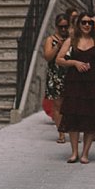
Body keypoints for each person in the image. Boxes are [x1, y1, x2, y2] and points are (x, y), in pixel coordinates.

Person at [56, 11, 95, 164]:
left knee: (90, 119)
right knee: (73, 117)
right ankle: (74, 152)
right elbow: (59, 60)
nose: (87, 25)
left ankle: (85, 153)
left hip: (92, 83)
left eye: (89, 23)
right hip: (75, 83)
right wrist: (74, 63)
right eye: (84, 22)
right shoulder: (72, 40)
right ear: (78, 24)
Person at [42, 13, 70, 141]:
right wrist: (57, 47)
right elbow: (47, 57)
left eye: (66, 26)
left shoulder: (71, 39)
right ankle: (61, 133)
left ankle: (70, 130)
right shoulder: (50, 40)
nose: (63, 29)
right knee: (58, 104)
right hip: (56, 74)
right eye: (61, 27)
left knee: (70, 105)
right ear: (56, 26)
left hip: (69, 74)